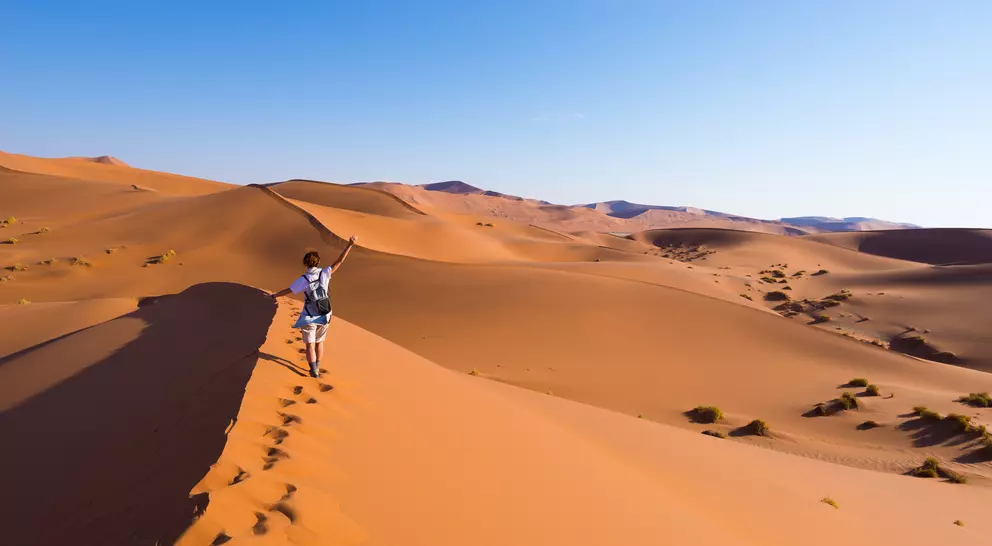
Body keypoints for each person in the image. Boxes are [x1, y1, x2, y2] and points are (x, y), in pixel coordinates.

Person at [270, 236, 358, 378]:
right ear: (318, 262)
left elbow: (289, 290)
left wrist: (275, 296)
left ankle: (313, 371)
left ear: (305, 264)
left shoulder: (304, 279)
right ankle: (317, 365)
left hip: (309, 315)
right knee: (319, 342)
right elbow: (339, 261)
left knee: (309, 344)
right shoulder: (325, 273)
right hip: (325, 313)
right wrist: (350, 245)